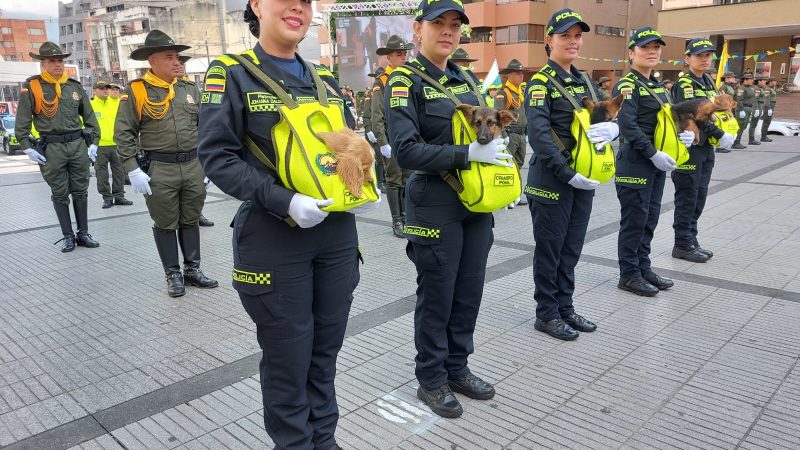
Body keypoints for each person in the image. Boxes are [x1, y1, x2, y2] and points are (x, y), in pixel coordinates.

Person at [197, 0, 371, 447]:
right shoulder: (231, 73)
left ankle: (324, 440)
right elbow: (217, 157)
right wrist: (286, 201)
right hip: (274, 236)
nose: (298, 7)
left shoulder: (323, 77)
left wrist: (360, 181)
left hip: (335, 235)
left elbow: (345, 147)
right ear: (256, 5)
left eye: (307, 1)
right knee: (288, 360)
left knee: (324, 354)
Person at [386, 0, 503, 419]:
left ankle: (458, 368)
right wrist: (466, 154)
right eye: (439, 23)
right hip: (434, 201)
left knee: (469, 291)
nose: (449, 31)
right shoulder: (404, 81)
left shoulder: (466, 79)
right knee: (438, 293)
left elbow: (489, 127)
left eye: (455, 24)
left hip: (475, 202)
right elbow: (405, 151)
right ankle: (431, 377)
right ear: (418, 29)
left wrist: (496, 154)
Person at [524, 9, 613, 341]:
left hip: (582, 180)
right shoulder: (539, 84)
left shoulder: (585, 81)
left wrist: (613, 129)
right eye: (565, 36)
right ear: (550, 40)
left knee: (571, 248)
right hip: (552, 180)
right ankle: (546, 314)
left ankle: (565, 307)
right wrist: (566, 173)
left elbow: (598, 120)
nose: (573, 41)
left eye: (577, 36)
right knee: (550, 250)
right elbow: (539, 136)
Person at [115, 30, 218, 297]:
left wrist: (208, 164)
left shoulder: (189, 88)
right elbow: (124, 133)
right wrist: (133, 170)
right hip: (160, 168)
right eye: (169, 57)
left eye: (178, 57)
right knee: (165, 222)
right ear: (153, 61)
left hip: (193, 165)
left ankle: (192, 270)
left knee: (191, 218)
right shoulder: (136, 91)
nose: (177, 62)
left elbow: (205, 128)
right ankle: (173, 274)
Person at [614, 27, 690, 297]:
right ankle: (629, 274)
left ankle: (643, 268)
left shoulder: (658, 86)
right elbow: (628, 125)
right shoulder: (627, 85)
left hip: (655, 164)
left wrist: (683, 135)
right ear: (631, 53)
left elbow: (667, 121)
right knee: (634, 220)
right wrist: (652, 153)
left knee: (649, 218)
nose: (651, 52)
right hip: (636, 161)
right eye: (645, 47)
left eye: (656, 47)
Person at [15, 41, 100, 252]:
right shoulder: (33, 87)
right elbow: (22, 122)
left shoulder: (74, 86)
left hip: (77, 145)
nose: (58, 65)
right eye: (52, 61)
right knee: (60, 193)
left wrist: (94, 143)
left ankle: (83, 233)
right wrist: (27, 147)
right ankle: (68, 236)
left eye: (60, 61)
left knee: (80, 191)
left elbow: (90, 118)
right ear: (43, 63)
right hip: (52, 148)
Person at [670, 39, 735, 264]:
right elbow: (694, 115)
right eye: (699, 55)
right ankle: (682, 244)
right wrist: (720, 134)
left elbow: (713, 111)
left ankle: (692, 239)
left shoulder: (707, 81)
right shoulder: (685, 84)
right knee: (688, 196)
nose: (705, 59)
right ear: (687, 59)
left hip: (706, 147)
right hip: (691, 148)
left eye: (708, 55)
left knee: (700, 195)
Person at [373, 34, 414, 237]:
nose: (403, 57)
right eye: (399, 54)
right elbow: (376, 115)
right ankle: (397, 220)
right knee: (394, 180)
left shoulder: (409, 77)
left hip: (408, 138)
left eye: (405, 53)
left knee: (408, 179)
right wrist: (383, 142)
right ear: (389, 57)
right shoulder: (382, 81)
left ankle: (407, 217)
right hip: (391, 139)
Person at [176, 54, 215, 227]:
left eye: (182, 63)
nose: (179, 66)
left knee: (198, 189)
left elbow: (203, 120)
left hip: (194, 151)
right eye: (176, 62)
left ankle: (197, 214)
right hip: (167, 156)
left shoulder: (191, 89)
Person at [91, 80, 133, 209]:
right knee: (101, 174)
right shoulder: (90, 106)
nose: (105, 90)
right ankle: (107, 198)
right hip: (99, 146)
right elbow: (83, 124)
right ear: (94, 91)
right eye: (101, 88)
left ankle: (119, 196)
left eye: (106, 88)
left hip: (116, 144)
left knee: (119, 172)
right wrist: (89, 144)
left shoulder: (116, 103)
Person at [495, 59, 529, 208]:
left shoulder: (520, 92)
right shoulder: (503, 93)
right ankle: (506, 197)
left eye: (522, 73)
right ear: (509, 75)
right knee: (508, 166)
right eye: (517, 73)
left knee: (518, 164)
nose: (521, 76)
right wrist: (503, 135)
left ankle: (514, 195)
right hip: (510, 133)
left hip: (521, 135)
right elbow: (498, 115)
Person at [364, 68, 386, 191]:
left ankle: (386, 180)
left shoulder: (385, 91)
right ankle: (380, 182)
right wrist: (368, 130)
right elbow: (366, 115)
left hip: (384, 129)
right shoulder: (370, 95)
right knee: (379, 158)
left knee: (387, 157)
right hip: (374, 130)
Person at [732, 72, 756, 149]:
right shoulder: (741, 88)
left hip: (748, 108)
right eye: (750, 79)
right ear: (745, 80)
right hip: (743, 108)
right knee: (740, 125)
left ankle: (738, 141)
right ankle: (735, 142)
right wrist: (741, 109)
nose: (752, 81)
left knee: (744, 126)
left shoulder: (750, 88)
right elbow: (739, 99)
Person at [760, 78, 778, 142]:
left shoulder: (771, 88)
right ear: (771, 82)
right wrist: (769, 108)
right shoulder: (767, 89)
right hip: (768, 108)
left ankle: (764, 136)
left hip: (771, 107)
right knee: (766, 122)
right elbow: (766, 99)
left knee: (768, 122)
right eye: (775, 81)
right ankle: (763, 137)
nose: (776, 82)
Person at [753, 76, 768, 143]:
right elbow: (755, 99)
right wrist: (756, 109)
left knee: (755, 124)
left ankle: (752, 139)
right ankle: (751, 139)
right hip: (758, 105)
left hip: (761, 105)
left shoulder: (762, 88)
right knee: (753, 124)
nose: (765, 82)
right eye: (763, 80)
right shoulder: (757, 88)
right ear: (759, 81)